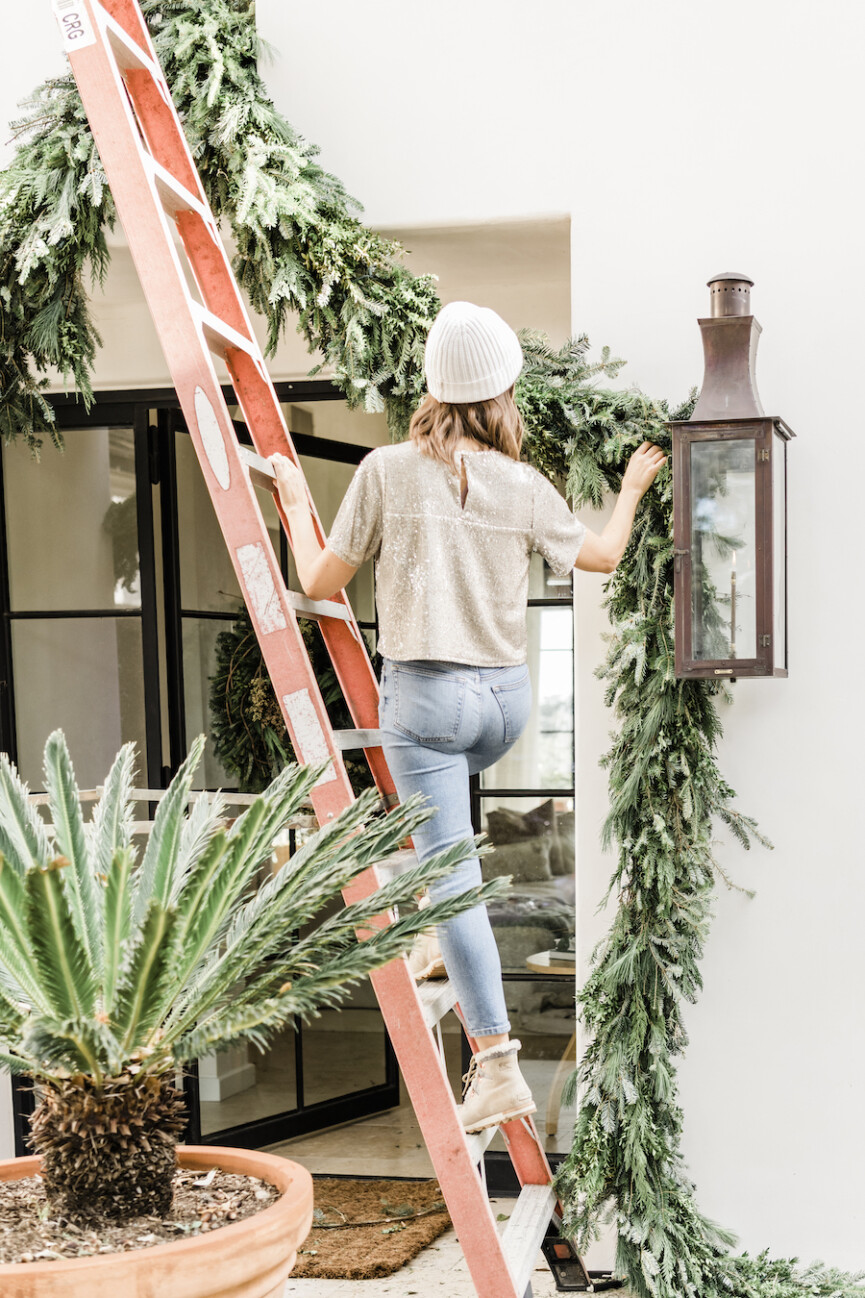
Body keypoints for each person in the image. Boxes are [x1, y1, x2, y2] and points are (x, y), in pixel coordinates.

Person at [270, 301, 666, 1133]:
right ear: (500, 392)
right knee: (441, 862)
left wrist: (289, 500)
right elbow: (600, 556)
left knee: (448, 879)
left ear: (431, 389)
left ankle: (493, 1063)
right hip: (503, 704)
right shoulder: (520, 484)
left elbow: (317, 580)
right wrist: (629, 488)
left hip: (427, 698)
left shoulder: (384, 470)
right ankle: (428, 940)